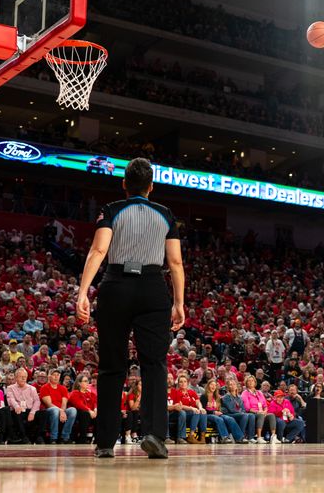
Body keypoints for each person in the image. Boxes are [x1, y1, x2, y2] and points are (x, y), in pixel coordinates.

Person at [76, 157, 185, 459]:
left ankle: (106, 443)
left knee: (112, 364)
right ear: (151, 186)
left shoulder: (112, 210)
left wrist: (83, 292)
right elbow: (175, 262)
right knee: (154, 364)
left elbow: (99, 250)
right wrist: (179, 302)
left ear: (124, 184)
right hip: (152, 288)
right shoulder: (166, 214)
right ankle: (155, 436)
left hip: (116, 285)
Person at [38, 369, 77, 444]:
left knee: (73, 410)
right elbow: (49, 404)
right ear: (49, 376)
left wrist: (62, 411)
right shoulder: (44, 387)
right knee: (55, 409)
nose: (56, 377)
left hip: (61, 409)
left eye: (58, 375)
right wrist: (61, 411)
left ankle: (65, 437)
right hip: (49, 411)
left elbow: (64, 403)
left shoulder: (63, 388)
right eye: (54, 375)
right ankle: (53, 438)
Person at [201, 379, 244, 443]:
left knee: (230, 418)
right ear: (208, 386)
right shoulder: (204, 396)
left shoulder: (217, 397)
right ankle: (224, 437)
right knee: (219, 419)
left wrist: (219, 411)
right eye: (211, 385)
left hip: (217, 413)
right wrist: (213, 412)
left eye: (215, 385)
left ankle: (239, 438)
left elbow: (219, 408)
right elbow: (203, 410)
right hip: (207, 414)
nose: (213, 386)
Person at [5, 368, 41, 444]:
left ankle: (38, 437)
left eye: (25, 376)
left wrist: (32, 412)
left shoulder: (32, 388)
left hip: (29, 410)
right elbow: (11, 399)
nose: (23, 378)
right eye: (21, 376)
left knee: (44, 413)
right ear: (16, 378)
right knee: (17, 413)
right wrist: (16, 406)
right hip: (17, 409)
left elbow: (37, 401)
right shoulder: (10, 388)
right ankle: (23, 436)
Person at [169, 374, 207, 444]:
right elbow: (180, 406)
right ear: (178, 383)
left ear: (187, 383)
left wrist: (201, 408)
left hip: (193, 413)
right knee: (196, 412)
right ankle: (191, 435)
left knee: (203, 413)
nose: (183, 383)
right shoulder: (177, 393)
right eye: (181, 382)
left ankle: (202, 437)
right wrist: (192, 408)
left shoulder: (191, 392)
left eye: (185, 381)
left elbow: (197, 401)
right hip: (183, 413)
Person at [242, 375, 278, 443]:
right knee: (261, 415)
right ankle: (259, 437)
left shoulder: (259, 392)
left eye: (252, 380)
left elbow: (265, 405)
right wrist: (258, 412)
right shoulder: (245, 393)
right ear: (246, 383)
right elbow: (247, 408)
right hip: (252, 413)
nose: (250, 382)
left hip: (262, 412)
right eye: (249, 381)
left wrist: (265, 411)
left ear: (255, 382)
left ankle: (273, 437)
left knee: (271, 415)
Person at [221, 377, 255, 443]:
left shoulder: (239, 397)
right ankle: (240, 437)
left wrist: (242, 412)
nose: (232, 386)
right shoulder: (225, 397)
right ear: (228, 387)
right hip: (229, 414)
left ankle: (251, 437)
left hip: (238, 413)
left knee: (251, 415)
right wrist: (241, 412)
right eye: (230, 384)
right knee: (244, 415)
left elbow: (243, 409)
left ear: (236, 386)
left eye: (234, 384)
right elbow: (231, 409)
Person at [68, 373, 98, 444]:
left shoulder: (91, 394)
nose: (87, 383)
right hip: (79, 414)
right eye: (85, 381)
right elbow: (79, 404)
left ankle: (97, 439)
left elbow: (95, 402)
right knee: (85, 414)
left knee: (99, 416)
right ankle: (82, 439)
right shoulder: (74, 393)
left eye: (88, 381)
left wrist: (95, 409)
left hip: (91, 413)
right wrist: (89, 411)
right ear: (79, 383)